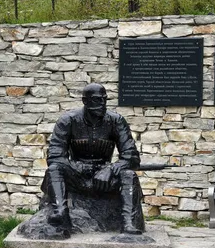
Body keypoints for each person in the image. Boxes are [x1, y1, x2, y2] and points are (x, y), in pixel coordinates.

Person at [41, 83, 143, 234]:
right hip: (77, 176)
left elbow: (132, 157)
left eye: (104, 99)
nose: (102, 104)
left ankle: (128, 224)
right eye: (96, 100)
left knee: (129, 175)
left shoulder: (116, 120)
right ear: (85, 101)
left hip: (105, 178)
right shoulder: (67, 120)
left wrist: (110, 169)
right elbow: (55, 156)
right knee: (54, 169)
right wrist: (76, 167)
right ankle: (61, 214)